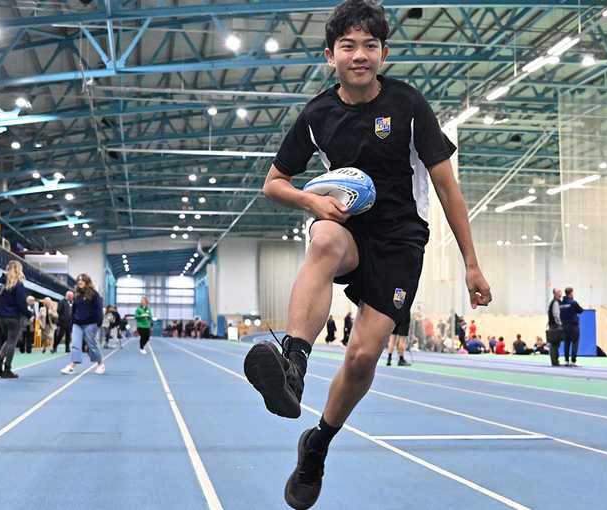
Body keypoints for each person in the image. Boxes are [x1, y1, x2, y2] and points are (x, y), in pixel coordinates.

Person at [241, 3, 491, 507]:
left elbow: (447, 188)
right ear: (329, 54)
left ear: (384, 53)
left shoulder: (408, 103)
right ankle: (293, 364)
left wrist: (471, 262)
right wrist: (312, 201)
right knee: (323, 238)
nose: (360, 56)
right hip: (350, 228)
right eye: (349, 47)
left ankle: (317, 446)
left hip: (401, 241)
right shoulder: (317, 114)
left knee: (361, 356)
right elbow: (273, 183)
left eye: (370, 46)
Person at [0, 261, 33, 379]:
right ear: (18, 269)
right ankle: (7, 369)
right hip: (13, 317)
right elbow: (21, 303)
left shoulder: (0, 281)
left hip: (1, 316)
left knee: (8, 341)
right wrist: (29, 314)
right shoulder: (18, 284)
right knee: (12, 342)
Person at [60, 273, 105, 375]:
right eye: (78, 280)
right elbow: (74, 310)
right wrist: (72, 322)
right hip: (77, 324)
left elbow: (98, 310)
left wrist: (98, 323)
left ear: (87, 282)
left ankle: (100, 364)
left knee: (91, 345)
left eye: (82, 280)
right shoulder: (76, 295)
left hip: (90, 324)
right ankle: (72, 366)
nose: (80, 282)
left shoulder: (94, 294)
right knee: (75, 345)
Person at [559, 287, 584, 367]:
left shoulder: (561, 304)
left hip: (564, 326)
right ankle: (573, 361)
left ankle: (566, 360)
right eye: (572, 293)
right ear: (570, 293)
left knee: (566, 343)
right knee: (575, 343)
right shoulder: (573, 303)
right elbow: (580, 310)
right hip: (573, 326)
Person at [546, 288, 563, 366]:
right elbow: (556, 315)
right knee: (554, 344)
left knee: (554, 344)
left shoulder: (553, 302)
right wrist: (560, 324)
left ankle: (555, 361)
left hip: (552, 325)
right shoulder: (555, 302)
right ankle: (555, 361)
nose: (561, 293)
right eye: (559, 292)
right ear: (555, 294)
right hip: (555, 326)